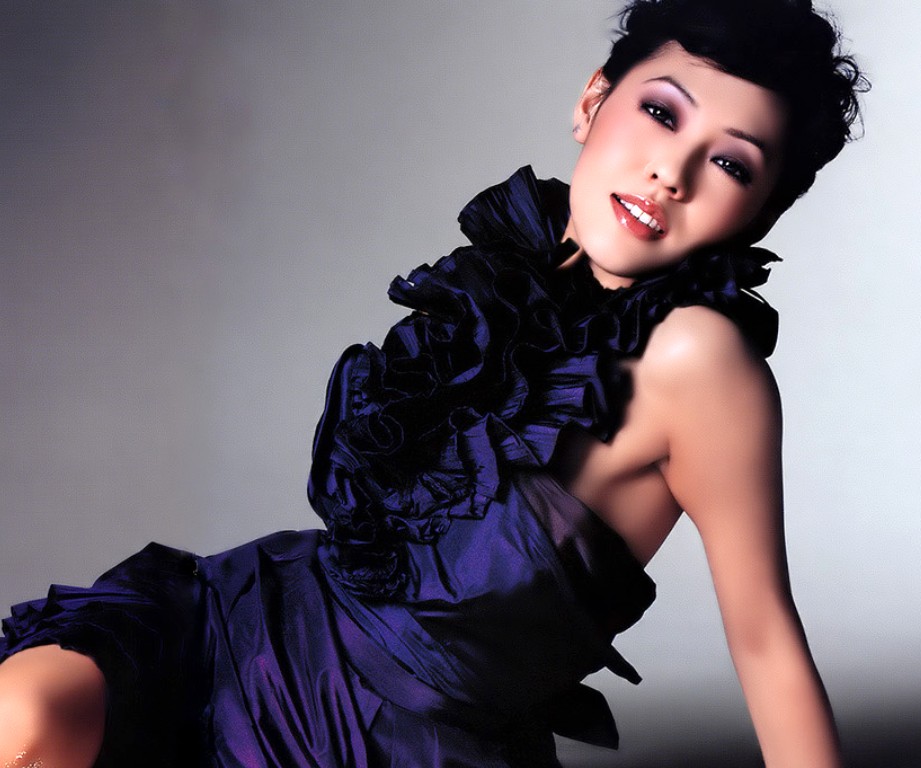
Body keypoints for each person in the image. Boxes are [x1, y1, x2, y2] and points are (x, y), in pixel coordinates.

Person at [0, 1, 865, 766]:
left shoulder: (699, 362)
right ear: (592, 101)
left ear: (761, 212)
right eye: (661, 112)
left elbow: (764, 640)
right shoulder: (511, 272)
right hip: (244, 626)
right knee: (25, 719)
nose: (671, 172)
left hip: (396, 739)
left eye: (732, 164)